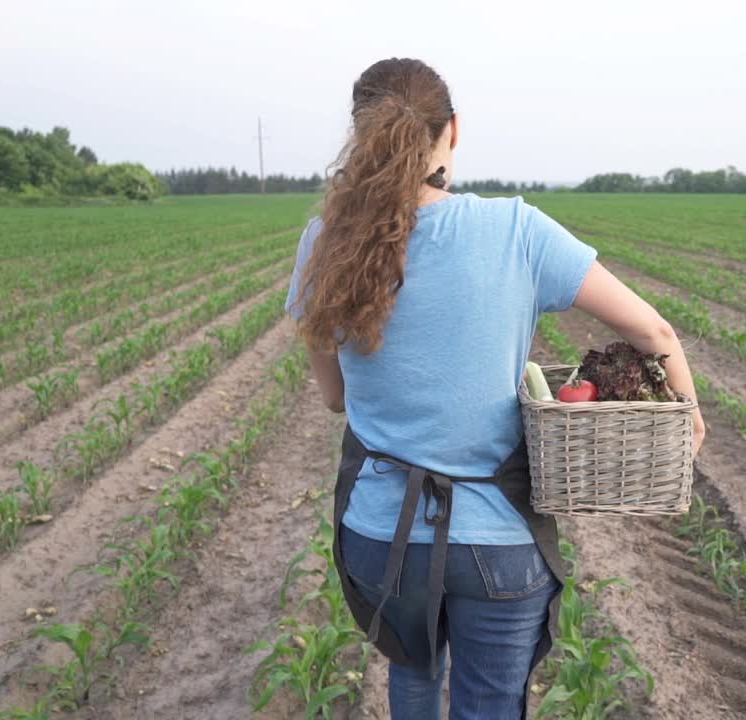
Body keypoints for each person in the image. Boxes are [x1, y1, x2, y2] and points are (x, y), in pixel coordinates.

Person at [284, 57, 705, 720]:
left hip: (381, 536)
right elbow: (655, 331)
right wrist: (688, 411)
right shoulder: (516, 229)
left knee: (413, 672)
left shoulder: (325, 240)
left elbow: (336, 398)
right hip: (497, 540)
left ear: (360, 135)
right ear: (452, 130)